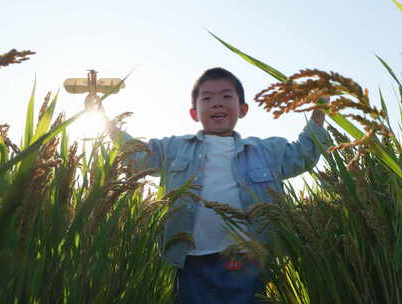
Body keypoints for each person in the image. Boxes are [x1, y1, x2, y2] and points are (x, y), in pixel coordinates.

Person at [101, 67, 329, 303]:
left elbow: (304, 154)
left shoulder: (266, 151)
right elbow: (137, 155)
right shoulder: (173, 149)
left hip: (249, 260)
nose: (217, 103)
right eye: (207, 98)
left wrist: (320, 107)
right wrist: (103, 118)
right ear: (193, 112)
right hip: (191, 260)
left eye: (226, 96)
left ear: (243, 109)